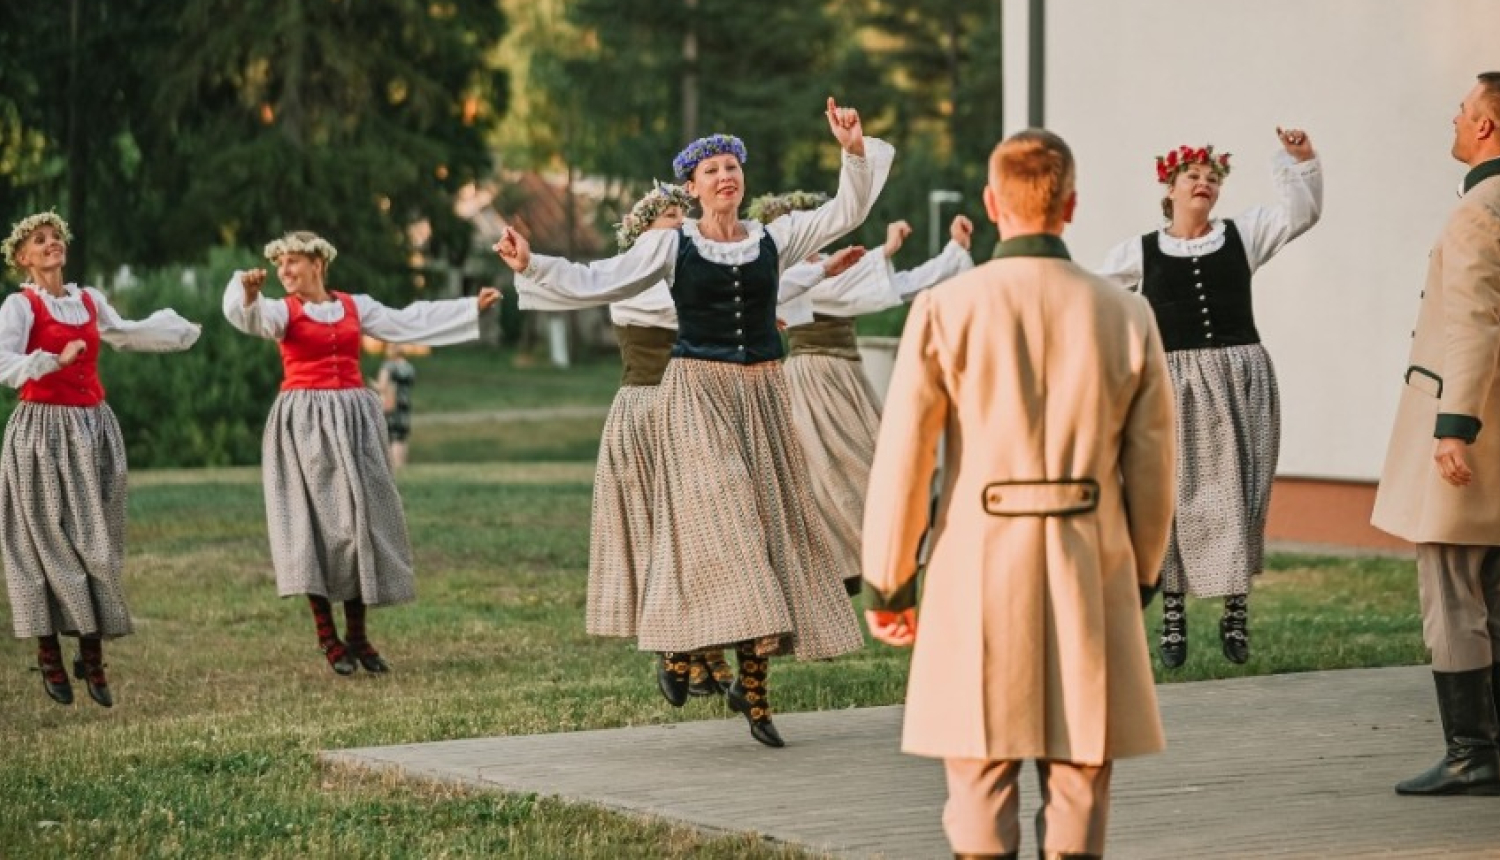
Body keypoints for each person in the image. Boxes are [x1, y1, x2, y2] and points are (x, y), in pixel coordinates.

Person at [496, 97, 891, 747]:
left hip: (762, 392)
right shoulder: (670, 243)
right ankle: (684, 647)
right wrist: (532, 266)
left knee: (766, 529)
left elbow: (846, 213)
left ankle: (754, 690)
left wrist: (852, 149)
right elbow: (601, 277)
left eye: (732, 166)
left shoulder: (773, 239)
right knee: (726, 518)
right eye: (711, 171)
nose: (725, 176)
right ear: (692, 187)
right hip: (696, 391)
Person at [863, 129, 1175, 859]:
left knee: (978, 759)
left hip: (978, 562)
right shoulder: (1126, 314)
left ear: (992, 203)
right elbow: (1155, 462)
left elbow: (905, 457)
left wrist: (888, 581)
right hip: (1089, 558)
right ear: (1070, 205)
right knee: (1081, 764)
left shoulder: (946, 308)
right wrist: (1144, 570)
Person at [224, 231, 500, 676]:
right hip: (306, 424)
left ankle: (357, 636)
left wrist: (470, 307)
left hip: (354, 421)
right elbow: (251, 317)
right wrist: (247, 293)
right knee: (317, 527)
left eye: (292, 262)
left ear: (318, 264)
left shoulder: (355, 306)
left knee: (358, 524)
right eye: (279, 266)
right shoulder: (281, 311)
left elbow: (407, 321)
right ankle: (326, 635)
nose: (284, 272)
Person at [1098, 127, 1323, 667]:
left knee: (1239, 495)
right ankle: (1172, 621)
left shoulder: (1242, 235)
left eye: (1211, 177)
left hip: (1239, 378)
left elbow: (1301, 214)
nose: (1204, 183)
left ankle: (1235, 613)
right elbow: (1094, 294)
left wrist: (1300, 162)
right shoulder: (1141, 251)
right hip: (1174, 385)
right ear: (1169, 188)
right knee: (1172, 500)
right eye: (1192, 176)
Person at [0, 211, 201, 707]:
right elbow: (4, 364)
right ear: (22, 257)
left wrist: (177, 333)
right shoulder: (20, 306)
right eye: (40, 241)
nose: (51, 245)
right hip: (42, 430)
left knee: (99, 544)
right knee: (44, 542)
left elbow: (125, 333)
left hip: (93, 427)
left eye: (56, 238)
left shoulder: (89, 300)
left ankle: (89, 653)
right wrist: (51, 361)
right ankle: (49, 653)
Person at [1373, 71, 1500, 797]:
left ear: (1485, 126)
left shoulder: (1478, 211)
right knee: (1496, 590)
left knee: (1452, 586)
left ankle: (1471, 754)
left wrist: (1454, 430)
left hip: (1471, 430)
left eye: (1462, 108)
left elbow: (1474, 324)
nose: (1453, 118)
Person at [765, 202, 974, 592]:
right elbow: (835, 288)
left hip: (844, 374)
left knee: (876, 463)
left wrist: (952, 253)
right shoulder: (789, 273)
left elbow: (898, 286)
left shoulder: (830, 264)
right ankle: (855, 559)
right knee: (834, 469)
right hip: (813, 377)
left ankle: (881, 553)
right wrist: (885, 252)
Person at [375, 343, 416, 469]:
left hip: (389, 404)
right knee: (402, 435)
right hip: (404, 403)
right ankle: (402, 463)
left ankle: (393, 465)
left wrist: (373, 385)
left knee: (391, 435)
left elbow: (382, 386)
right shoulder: (409, 367)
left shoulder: (388, 366)